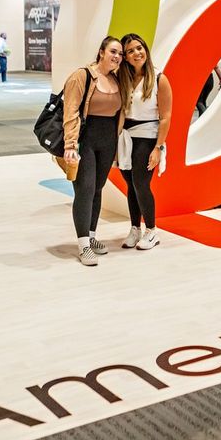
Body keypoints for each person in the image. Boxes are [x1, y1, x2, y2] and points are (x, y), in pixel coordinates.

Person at [62, 36, 126, 267]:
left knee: (98, 189)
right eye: (113, 51)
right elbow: (70, 112)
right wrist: (70, 145)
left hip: (108, 141)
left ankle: (91, 235)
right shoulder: (83, 76)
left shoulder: (118, 80)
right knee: (85, 189)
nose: (117, 56)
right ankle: (82, 246)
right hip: (85, 141)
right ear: (101, 52)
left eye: (120, 53)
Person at [116, 33, 173, 251]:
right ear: (126, 57)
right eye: (130, 51)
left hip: (147, 137)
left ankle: (151, 230)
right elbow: (122, 110)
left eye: (139, 48)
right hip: (126, 137)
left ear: (145, 50)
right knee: (130, 184)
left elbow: (166, 116)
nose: (136, 53)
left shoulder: (159, 78)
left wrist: (158, 147)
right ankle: (134, 228)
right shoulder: (125, 78)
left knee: (141, 183)